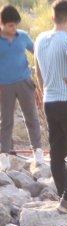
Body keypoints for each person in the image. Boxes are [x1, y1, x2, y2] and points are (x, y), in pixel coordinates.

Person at [35, 0, 67, 215]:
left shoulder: (40, 39)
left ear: (53, 16)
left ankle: (62, 193)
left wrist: (45, 89)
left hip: (50, 99)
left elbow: (37, 71)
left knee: (57, 149)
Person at [0, 5, 44, 161]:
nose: (14, 29)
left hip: (24, 82)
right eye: (10, 25)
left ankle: (38, 151)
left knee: (31, 117)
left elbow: (37, 53)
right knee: (6, 121)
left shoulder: (23, 36)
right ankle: (4, 154)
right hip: (4, 86)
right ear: (2, 23)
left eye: (15, 25)